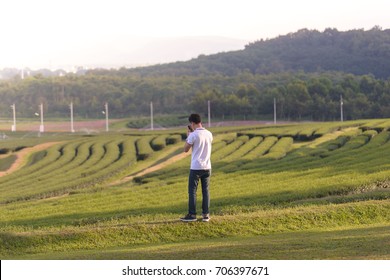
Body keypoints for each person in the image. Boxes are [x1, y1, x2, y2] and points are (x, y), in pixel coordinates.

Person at [180, 113, 213, 222]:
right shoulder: (209, 134)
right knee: (206, 191)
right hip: (207, 167)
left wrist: (188, 135)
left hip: (196, 167)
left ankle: (192, 215)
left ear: (192, 123)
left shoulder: (193, 135)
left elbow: (185, 149)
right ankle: (206, 215)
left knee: (192, 191)